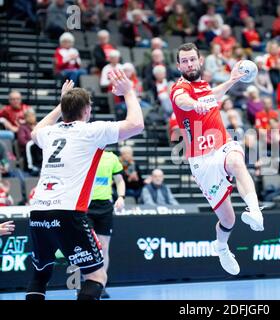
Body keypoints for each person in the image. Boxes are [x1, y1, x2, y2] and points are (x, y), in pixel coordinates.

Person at [26, 70, 144, 301]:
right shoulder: (91, 131)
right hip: (68, 213)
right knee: (97, 276)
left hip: (38, 211)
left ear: (64, 110)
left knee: (41, 273)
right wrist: (129, 92)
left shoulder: (50, 133)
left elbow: (34, 132)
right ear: (87, 110)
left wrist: (61, 104)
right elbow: (136, 124)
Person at [170, 43, 264, 276]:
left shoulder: (202, 85)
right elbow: (183, 101)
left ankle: (254, 211)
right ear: (179, 65)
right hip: (201, 160)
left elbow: (213, 95)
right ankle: (221, 247)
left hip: (221, 145)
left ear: (200, 60)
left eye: (193, 59)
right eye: (185, 61)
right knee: (228, 219)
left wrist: (232, 81)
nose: (189, 64)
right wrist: (196, 105)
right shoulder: (179, 88)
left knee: (236, 160)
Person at [86, 151, 126, 299]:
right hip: (85, 206)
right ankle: (85, 284)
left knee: (104, 247)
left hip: (104, 207)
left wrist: (121, 197)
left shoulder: (111, 157)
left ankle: (100, 286)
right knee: (86, 247)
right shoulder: (85, 152)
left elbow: (119, 180)